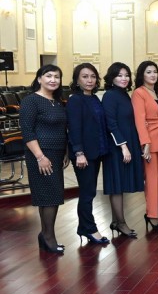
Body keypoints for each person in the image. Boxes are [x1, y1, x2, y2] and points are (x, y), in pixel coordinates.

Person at [21, 65, 68, 253]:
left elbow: (63, 129)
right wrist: (40, 157)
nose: (53, 80)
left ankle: (45, 235)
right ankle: (49, 237)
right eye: (48, 76)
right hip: (40, 155)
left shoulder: (57, 102)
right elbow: (27, 131)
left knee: (51, 196)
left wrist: (65, 151)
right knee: (49, 196)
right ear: (39, 79)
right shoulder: (31, 101)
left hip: (56, 154)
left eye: (57, 76)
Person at [67, 63, 109, 244]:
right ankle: (88, 228)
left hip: (96, 151)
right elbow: (74, 128)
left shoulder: (94, 98)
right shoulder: (75, 100)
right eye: (85, 77)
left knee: (89, 190)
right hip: (83, 154)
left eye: (92, 76)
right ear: (77, 80)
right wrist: (79, 152)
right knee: (87, 192)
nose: (89, 80)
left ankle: (85, 226)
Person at [102, 62, 143, 237]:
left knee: (120, 183)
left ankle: (115, 221)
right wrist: (123, 146)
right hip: (117, 146)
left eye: (126, 75)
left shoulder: (124, 94)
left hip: (127, 142)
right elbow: (111, 123)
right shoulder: (110, 95)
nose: (124, 78)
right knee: (116, 185)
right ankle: (121, 223)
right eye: (119, 75)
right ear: (111, 78)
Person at [132, 61, 158, 231]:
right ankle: (152, 215)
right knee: (151, 180)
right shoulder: (139, 93)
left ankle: (153, 212)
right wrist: (145, 143)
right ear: (142, 75)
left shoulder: (157, 93)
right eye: (148, 72)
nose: (153, 75)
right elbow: (139, 120)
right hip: (150, 141)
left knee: (157, 179)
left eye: (155, 71)